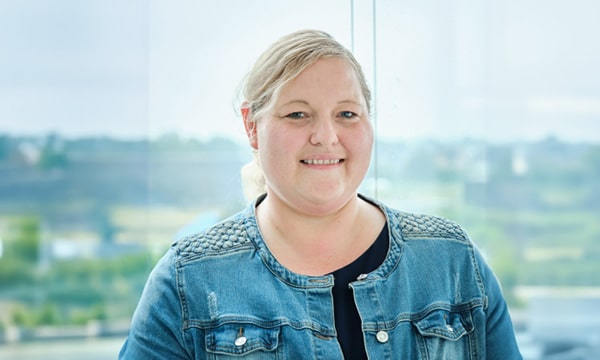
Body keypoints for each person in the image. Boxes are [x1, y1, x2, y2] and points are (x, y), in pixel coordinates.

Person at [119, 29, 522, 359]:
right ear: (252, 126)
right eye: (297, 114)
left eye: (347, 113)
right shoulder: (188, 280)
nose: (326, 137)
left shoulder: (452, 262)